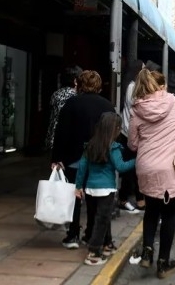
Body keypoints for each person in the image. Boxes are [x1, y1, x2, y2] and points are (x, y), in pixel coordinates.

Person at [128, 69, 175, 279]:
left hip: (146, 168)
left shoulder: (136, 110)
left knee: (151, 211)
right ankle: (163, 262)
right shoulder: (174, 102)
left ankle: (147, 250)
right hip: (170, 169)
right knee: (168, 214)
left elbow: (132, 144)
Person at [51, 70, 116, 249]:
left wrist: (57, 157)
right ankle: (91, 234)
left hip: (74, 157)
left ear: (79, 84)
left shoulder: (72, 104)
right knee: (95, 199)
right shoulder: (107, 105)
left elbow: (61, 132)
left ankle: (72, 235)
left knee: (74, 197)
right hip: (98, 158)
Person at [75, 111, 136, 265]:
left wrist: (78, 186)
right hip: (106, 190)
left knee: (102, 217)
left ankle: (107, 244)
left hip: (90, 189)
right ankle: (94, 252)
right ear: (114, 129)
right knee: (102, 220)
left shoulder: (91, 145)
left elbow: (82, 166)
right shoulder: (113, 148)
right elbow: (121, 167)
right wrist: (137, 160)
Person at [149, 70, 175, 225]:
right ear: (163, 86)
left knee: (153, 204)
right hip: (172, 155)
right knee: (174, 188)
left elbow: (133, 141)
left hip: (151, 159)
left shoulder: (140, 104)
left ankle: (149, 243)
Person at [118, 59, 146, 214]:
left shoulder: (133, 86)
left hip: (132, 133)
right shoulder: (132, 87)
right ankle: (124, 199)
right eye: (142, 69)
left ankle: (138, 199)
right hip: (129, 134)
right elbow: (138, 106)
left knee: (136, 168)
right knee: (131, 168)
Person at [45, 66, 82, 152]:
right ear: (76, 81)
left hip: (53, 139)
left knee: (57, 165)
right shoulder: (75, 96)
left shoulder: (55, 94)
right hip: (68, 141)